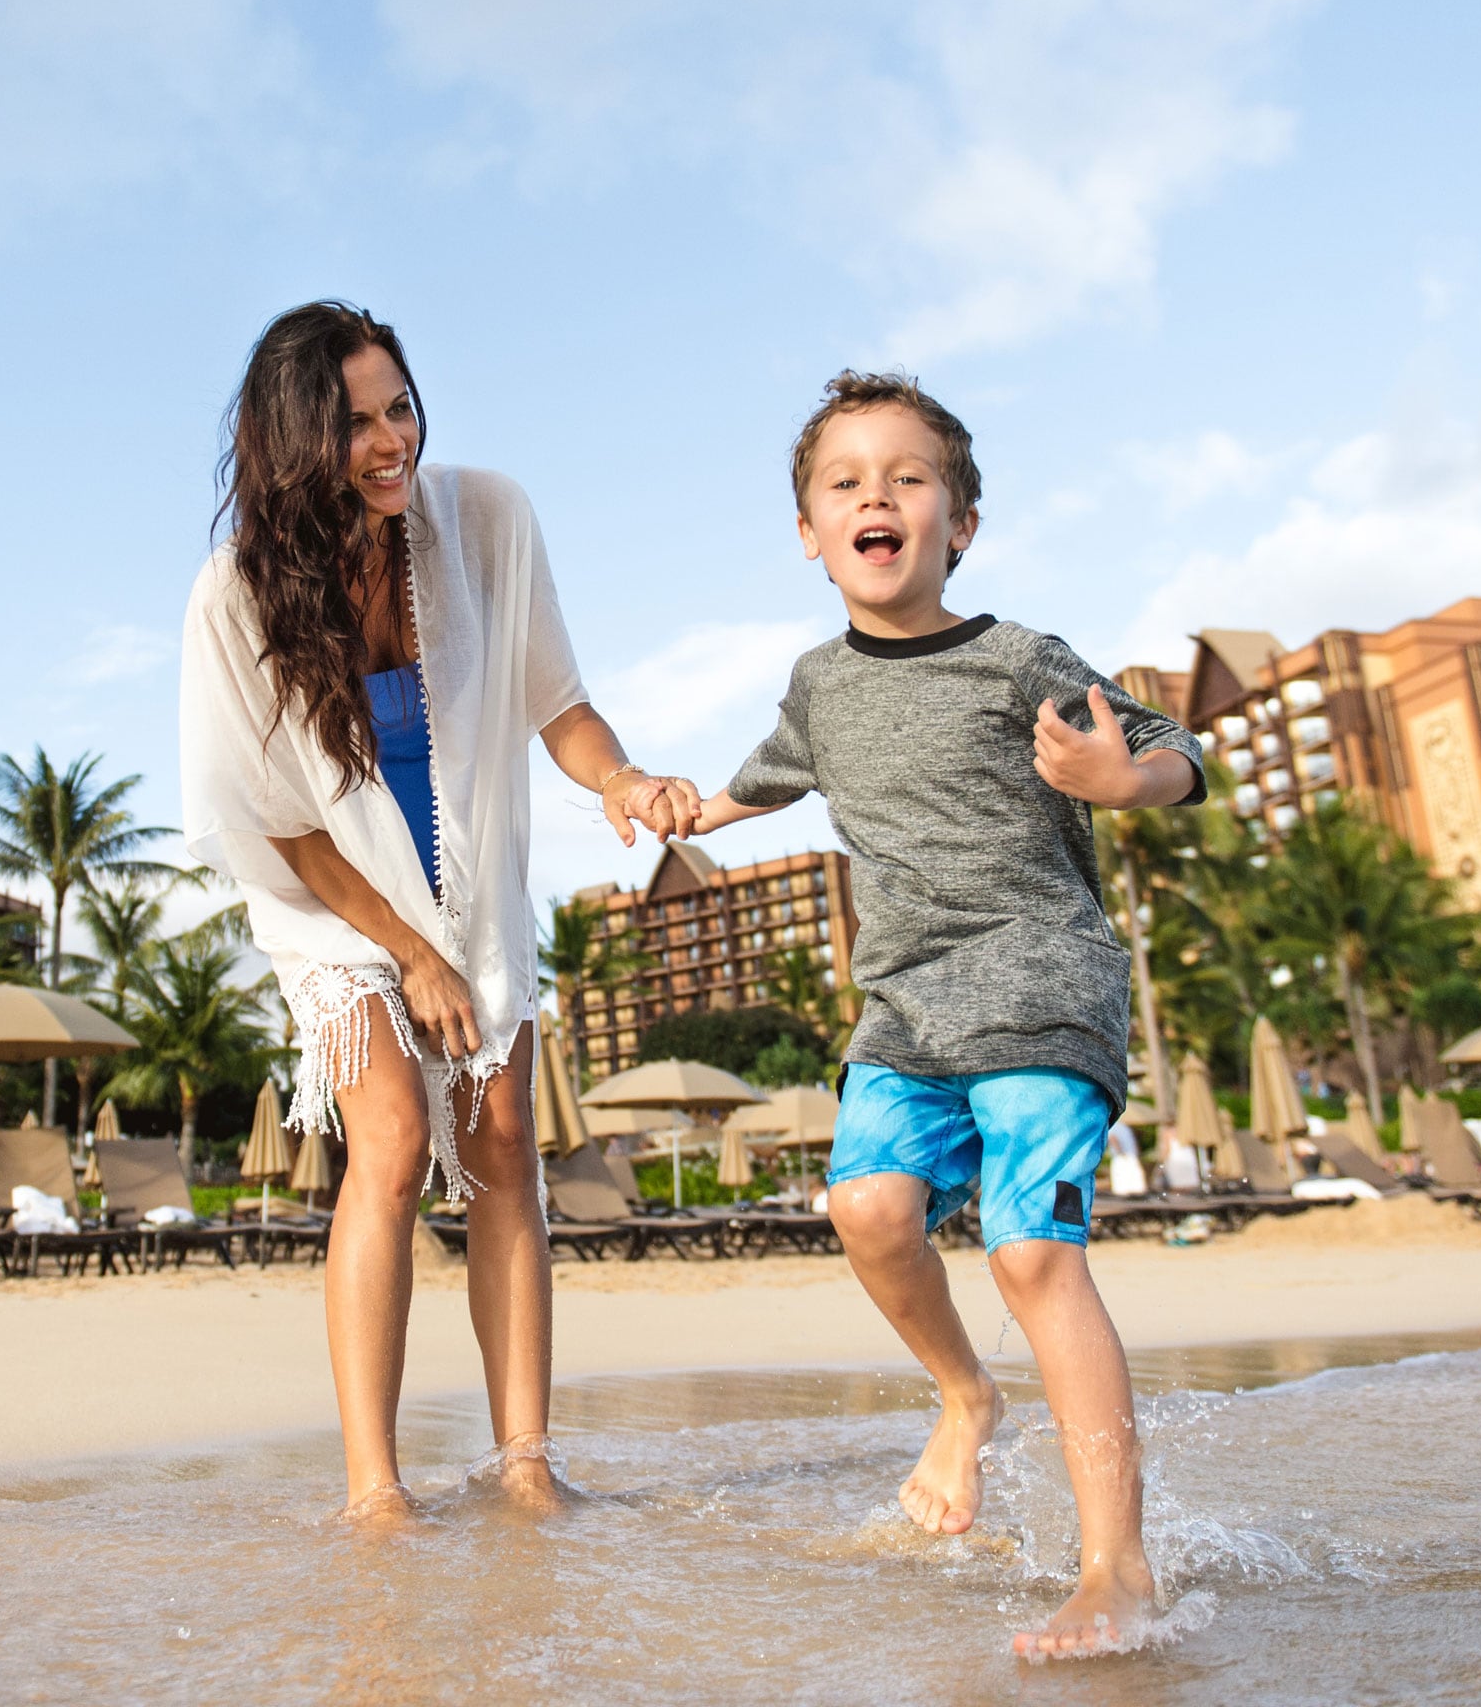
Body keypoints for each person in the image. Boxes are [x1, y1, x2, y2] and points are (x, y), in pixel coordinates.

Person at [690, 371, 1203, 1660]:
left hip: (1039, 975)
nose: (876, 495)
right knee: (865, 1208)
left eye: (907, 476)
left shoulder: (1017, 655)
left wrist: (1117, 774)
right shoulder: (816, 683)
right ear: (808, 533)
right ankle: (965, 1397)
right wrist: (668, 805)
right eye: (842, 481)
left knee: (1031, 1252)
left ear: (957, 522)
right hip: (906, 999)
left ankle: (1114, 1569)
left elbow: (1179, 749)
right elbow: (757, 784)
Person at [180, 301, 698, 1514]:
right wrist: (405, 950)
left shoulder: (487, 517)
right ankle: (375, 1482)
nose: (388, 440)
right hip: (333, 897)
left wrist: (619, 777)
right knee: (400, 1136)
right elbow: (280, 821)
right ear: (294, 442)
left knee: (505, 1136)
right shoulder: (236, 594)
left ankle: (524, 1459)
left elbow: (557, 701)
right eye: (354, 423)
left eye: (399, 406)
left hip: (467, 880)